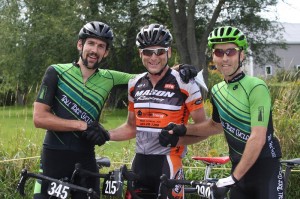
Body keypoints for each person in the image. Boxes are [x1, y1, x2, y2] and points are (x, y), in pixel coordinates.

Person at [33, 21, 197, 199]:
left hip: (86, 158)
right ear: (80, 44)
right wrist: (82, 125)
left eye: (101, 46)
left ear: (106, 52)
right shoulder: (56, 72)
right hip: (53, 156)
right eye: (91, 43)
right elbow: (39, 118)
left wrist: (179, 69)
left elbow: (151, 74)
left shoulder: (109, 77)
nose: (95, 50)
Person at [159, 26, 284, 199]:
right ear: (213, 57)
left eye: (230, 52)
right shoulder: (217, 90)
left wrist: (232, 179)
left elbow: (258, 137)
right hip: (239, 171)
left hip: (265, 169)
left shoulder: (256, 86)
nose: (224, 58)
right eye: (219, 53)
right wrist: (183, 129)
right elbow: (215, 126)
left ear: (241, 55)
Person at [109, 23, 207, 199]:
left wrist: (179, 139)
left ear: (168, 52)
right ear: (141, 54)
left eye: (160, 52)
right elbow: (131, 127)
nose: (154, 57)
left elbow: (206, 129)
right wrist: (104, 134)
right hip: (139, 164)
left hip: (168, 164)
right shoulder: (134, 84)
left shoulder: (185, 83)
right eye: (148, 52)